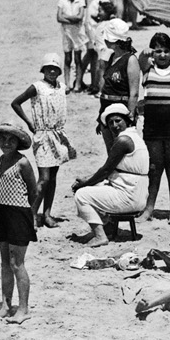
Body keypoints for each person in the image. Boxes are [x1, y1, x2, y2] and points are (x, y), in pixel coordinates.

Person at [67, 104, 149, 246]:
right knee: (97, 185)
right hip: (137, 193)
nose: (114, 125)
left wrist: (84, 184)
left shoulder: (123, 140)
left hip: (129, 196)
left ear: (126, 121)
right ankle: (108, 227)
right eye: (111, 122)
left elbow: (106, 170)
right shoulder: (134, 137)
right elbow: (110, 170)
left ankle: (100, 235)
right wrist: (88, 180)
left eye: (118, 121)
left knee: (81, 195)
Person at [11, 54, 74, 228]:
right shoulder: (36, 87)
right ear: (43, 70)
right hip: (42, 135)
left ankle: (46, 214)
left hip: (57, 135)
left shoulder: (62, 87)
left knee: (53, 177)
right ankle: (31, 215)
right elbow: (16, 103)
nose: (52, 71)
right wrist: (29, 122)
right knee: (44, 178)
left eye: (55, 68)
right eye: (48, 68)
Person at [0, 121, 40, 321]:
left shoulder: (22, 162)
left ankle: (23, 309)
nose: (6, 143)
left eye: (11, 139)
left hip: (19, 213)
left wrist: (32, 216)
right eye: (3, 138)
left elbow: (33, 190)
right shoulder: (2, 160)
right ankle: (6, 305)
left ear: (18, 143)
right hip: (3, 212)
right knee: (5, 262)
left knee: (18, 263)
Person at [137, 33, 170, 223]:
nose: (162, 55)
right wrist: (146, 53)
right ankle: (149, 208)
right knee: (154, 167)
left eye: (166, 51)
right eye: (158, 51)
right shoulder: (147, 70)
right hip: (152, 126)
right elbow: (141, 60)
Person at [95, 18, 139, 120]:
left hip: (121, 111)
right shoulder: (111, 57)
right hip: (106, 108)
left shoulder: (130, 60)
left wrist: (130, 115)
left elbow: (134, 93)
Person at [55, 0, 89, 85]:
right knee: (67, 58)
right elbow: (59, 18)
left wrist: (66, 17)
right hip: (66, 33)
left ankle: (78, 83)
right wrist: (73, 18)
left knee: (78, 59)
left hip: (77, 33)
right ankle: (67, 83)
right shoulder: (62, 0)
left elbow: (80, 17)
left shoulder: (81, 0)